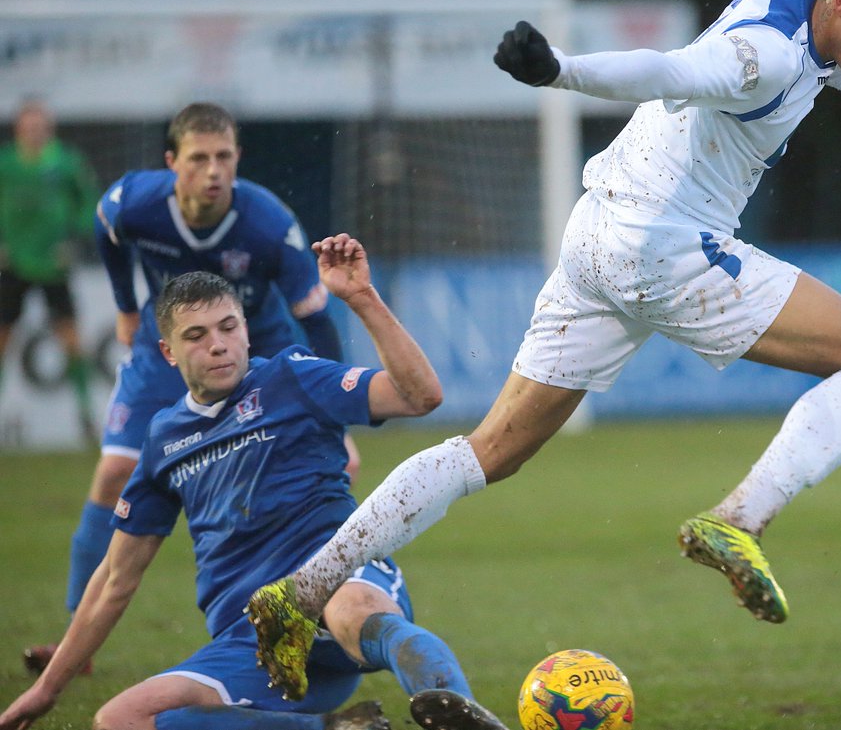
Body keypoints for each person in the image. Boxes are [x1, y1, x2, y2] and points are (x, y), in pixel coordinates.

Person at [246, 0, 841, 704]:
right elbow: (671, 70)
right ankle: (740, 519)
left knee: (492, 449)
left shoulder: (805, 5)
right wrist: (561, 72)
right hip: (669, 249)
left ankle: (299, 593)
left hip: (597, 238)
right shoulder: (760, 53)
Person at [0, 238, 509, 730]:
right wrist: (47, 689)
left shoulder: (291, 378)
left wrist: (361, 298)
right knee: (119, 719)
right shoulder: (164, 438)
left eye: (227, 327)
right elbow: (116, 578)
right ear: (168, 352)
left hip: (335, 585)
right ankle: (336, 728)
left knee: (353, 608)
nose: (217, 344)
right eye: (196, 335)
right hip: (252, 640)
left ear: (246, 330)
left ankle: (459, 712)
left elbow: (420, 396)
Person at [23, 102, 363, 675]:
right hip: (169, 347)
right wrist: (127, 307)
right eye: (199, 158)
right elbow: (106, 235)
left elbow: (317, 318)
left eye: (224, 157)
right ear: (171, 162)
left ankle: (297, 621)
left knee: (306, 475)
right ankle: (73, 642)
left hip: (262, 347)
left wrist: (334, 414)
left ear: (237, 159)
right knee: (111, 474)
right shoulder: (131, 202)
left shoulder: (268, 224)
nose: (213, 170)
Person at [0, 98, 100, 445]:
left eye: (40, 126)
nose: (35, 132)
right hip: (13, 266)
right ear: (18, 129)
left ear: (49, 129)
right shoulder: (6, 163)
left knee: (72, 341)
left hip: (53, 267)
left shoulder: (67, 162)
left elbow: (88, 203)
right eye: (29, 126)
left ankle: (86, 416)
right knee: (3, 341)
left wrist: (74, 239)